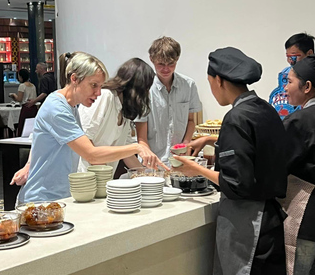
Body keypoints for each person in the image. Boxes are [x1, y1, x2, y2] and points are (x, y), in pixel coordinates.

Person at [174, 47, 288, 275]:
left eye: (209, 82)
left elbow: (236, 184)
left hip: (248, 224)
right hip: (271, 221)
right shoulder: (264, 108)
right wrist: (209, 138)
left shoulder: (235, 117)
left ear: (218, 80)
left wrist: (193, 168)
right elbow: (255, 150)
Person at [11, 52, 164, 203]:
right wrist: (137, 148)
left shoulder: (71, 108)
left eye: (100, 86)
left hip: (63, 196)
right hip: (42, 200)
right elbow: (91, 154)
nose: (98, 92)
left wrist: (148, 173)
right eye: (93, 85)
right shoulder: (57, 108)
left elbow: (42, 145)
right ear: (75, 79)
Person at [280, 54, 315, 275]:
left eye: (290, 82)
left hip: (306, 216)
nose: (285, 89)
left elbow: (277, 166)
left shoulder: (298, 122)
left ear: (307, 86)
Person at [78, 58, 167, 174]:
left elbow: (127, 152)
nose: (147, 94)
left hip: (103, 178)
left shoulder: (124, 108)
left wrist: (147, 174)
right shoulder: (105, 96)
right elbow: (84, 140)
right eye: (146, 88)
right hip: (84, 176)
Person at [135, 36, 202, 164]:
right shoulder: (144, 89)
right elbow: (141, 138)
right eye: (161, 64)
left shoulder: (188, 85)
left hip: (180, 159)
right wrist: (149, 160)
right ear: (152, 60)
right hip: (152, 161)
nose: (166, 69)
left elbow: (191, 120)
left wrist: (186, 144)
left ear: (177, 60)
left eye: (171, 64)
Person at [269, 33, 315, 119]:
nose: (291, 61)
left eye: (294, 56)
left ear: (309, 53)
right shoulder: (285, 73)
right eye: (288, 57)